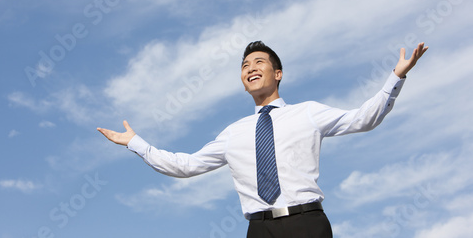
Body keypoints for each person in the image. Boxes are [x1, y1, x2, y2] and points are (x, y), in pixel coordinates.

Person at [97, 40, 428, 238]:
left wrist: (396, 77)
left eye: (259, 62)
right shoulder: (233, 134)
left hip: (307, 223)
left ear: (277, 73)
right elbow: (185, 165)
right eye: (244, 66)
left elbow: (363, 118)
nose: (250, 68)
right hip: (259, 230)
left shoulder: (308, 113)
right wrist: (136, 143)